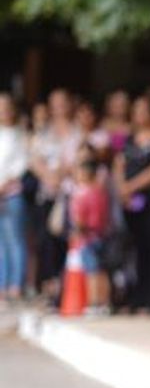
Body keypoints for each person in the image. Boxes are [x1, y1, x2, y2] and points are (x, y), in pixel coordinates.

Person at [115, 96, 150, 313]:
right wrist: (122, 188)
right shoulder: (129, 138)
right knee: (136, 250)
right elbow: (119, 162)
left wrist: (132, 186)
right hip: (130, 203)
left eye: (144, 110)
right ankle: (137, 296)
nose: (140, 115)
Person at [29, 89, 81, 300]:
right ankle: (50, 283)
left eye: (63, 102)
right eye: (55, 103)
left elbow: (81, 157)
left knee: (65, 240)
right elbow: (34, 159)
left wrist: (61, 173)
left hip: (70, 193)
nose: (59, 107)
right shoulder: (44, 133)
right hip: (47, 193)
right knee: (45, 241)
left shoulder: (78, 132)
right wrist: (48, 176)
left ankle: (65, 286)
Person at [69, 147, 110, 313]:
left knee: (92, 272)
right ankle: (105, 303)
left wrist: (76, 233)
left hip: (86, 238)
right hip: (101, 235)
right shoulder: (101, 193)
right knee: (102, 271)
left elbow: (79, 220)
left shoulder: (82, 194)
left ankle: (94, 303)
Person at [0, 93, 29, 303]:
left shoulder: (20, 135)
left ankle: (16, 284)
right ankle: (2, 284)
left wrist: (3, 186)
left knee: (15, 239)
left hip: (11, 193)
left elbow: (21, 165)